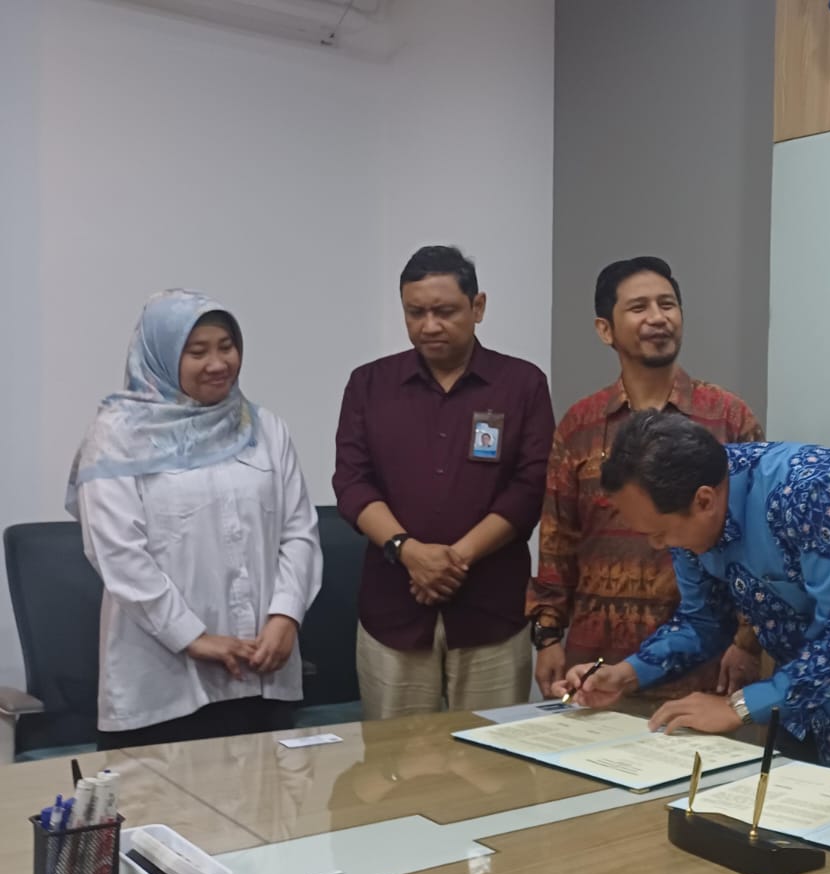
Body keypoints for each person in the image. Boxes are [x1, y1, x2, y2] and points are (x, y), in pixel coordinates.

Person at [559, 411, 830, 789]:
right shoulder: (685, 509)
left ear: (704, 500)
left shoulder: (812, 490)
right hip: (800, 703)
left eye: (659, 533)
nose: (657, 545)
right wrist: (624, 675)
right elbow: (702, 622)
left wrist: (738, 707)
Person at [68, 290, 322, 750]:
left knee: (270, 817)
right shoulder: (117, 438)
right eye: (196, 351)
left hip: (261, 669)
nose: (217, 363)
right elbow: (119, 554)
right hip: (162, 686)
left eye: (226, 346)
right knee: (167, 819)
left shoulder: (264, 429)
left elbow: (298, 530)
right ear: (162, 357)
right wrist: (195, 637)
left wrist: (286, 616)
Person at [527, 256, 765, 701]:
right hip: (597, 660)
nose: (658, 318)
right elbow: (558, 538)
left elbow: (756, 541)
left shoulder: (727, 417)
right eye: (639, 308)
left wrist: (746, 641)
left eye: (668, 304)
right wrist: (546, 636)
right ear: (605, 329)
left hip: (705, 659)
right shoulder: (580, 424)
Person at [333, 246, 554, 719]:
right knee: (394, 768)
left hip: (491, 611)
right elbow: (352, 484)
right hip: (393, 611)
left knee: (494, 765)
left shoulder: (522, 384)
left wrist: (455, 560)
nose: (429, 325)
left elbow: (530, 486)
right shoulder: (369, 385)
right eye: (415, 313)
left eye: (444, 311)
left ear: (478, 308)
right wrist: (409, 552)